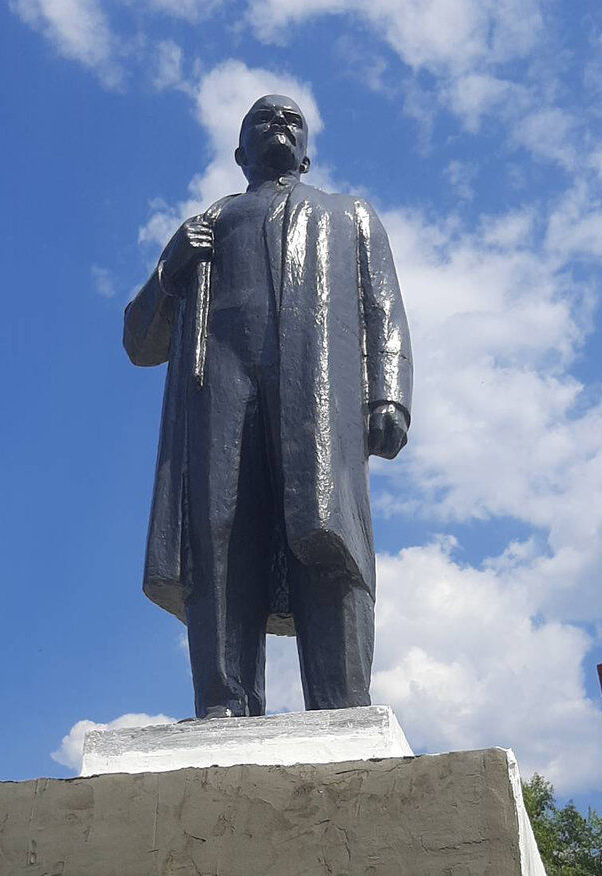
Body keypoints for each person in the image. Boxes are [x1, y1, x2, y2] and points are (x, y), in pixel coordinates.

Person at [124, 94, 412, 719]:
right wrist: (170, 269)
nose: (279, 124)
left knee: (327, 533)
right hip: (219, 391)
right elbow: (139, 343)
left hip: (317, 394)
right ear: (239, 152)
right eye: (263, 118)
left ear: (306, 154)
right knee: (219, 537)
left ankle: (341, 704)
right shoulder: (206, 226)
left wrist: (389, 392)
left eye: (292, 120)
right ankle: (225, 702)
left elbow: (383, 308)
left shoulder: (349, 215)